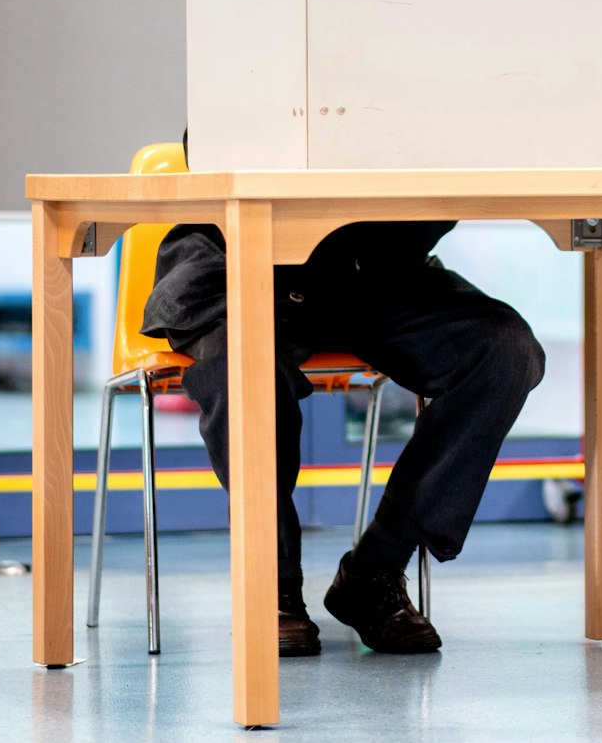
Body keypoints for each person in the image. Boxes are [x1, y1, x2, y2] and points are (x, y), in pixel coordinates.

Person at [141, 137, 546, 656]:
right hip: (242, 263)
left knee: (503, 350)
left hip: (376, 275)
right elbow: (214, 137)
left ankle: (373, 575)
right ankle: (273, 588)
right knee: (244, 363)